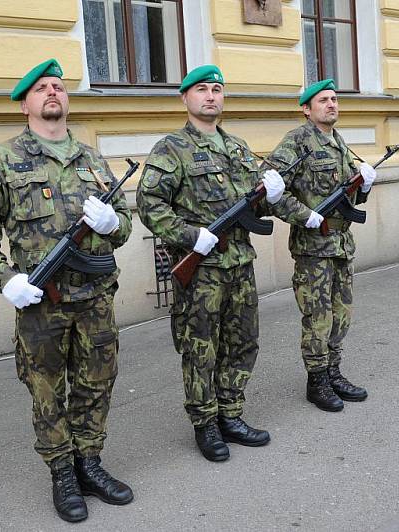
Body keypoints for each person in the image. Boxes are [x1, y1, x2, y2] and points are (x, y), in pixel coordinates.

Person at [0, 59, 133, 523]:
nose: (52, 93)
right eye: (41, 89)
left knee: (96, 383)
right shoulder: (3, 160)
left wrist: (114, 222)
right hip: (42, 303)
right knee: (46, 390)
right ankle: (62, 472)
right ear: (26, 105)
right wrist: (5, 280)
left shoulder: (93, 160)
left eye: (58, 87)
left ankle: (89, 463)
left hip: (95, 297)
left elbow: (125, 226)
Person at [136, 65, 286, 462]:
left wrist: (270, 191)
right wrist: (190, 236)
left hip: (239, 264)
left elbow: (258, 200)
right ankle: (205, 423)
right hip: (200, 269)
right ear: (184, 98)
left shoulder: (236, 147)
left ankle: (231, 414)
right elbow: (149, 206)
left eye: (217, 89)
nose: (211, 96)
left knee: (243, 342)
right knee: (200, 348)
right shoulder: (170, 150)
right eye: (201, 89)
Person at [262, 79, 376, 413]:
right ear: (307, 109)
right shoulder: (297, 141)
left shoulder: (339, 142)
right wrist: (303, 215)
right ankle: (317, 381)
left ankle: (334, 371)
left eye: (334, 99)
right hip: (313, 248)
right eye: (323, 100)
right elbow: (267, 187)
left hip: (341, 244)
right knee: (318, 316)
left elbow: (348, 195)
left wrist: (364, 187)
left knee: (342, 314)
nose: (331, 105)